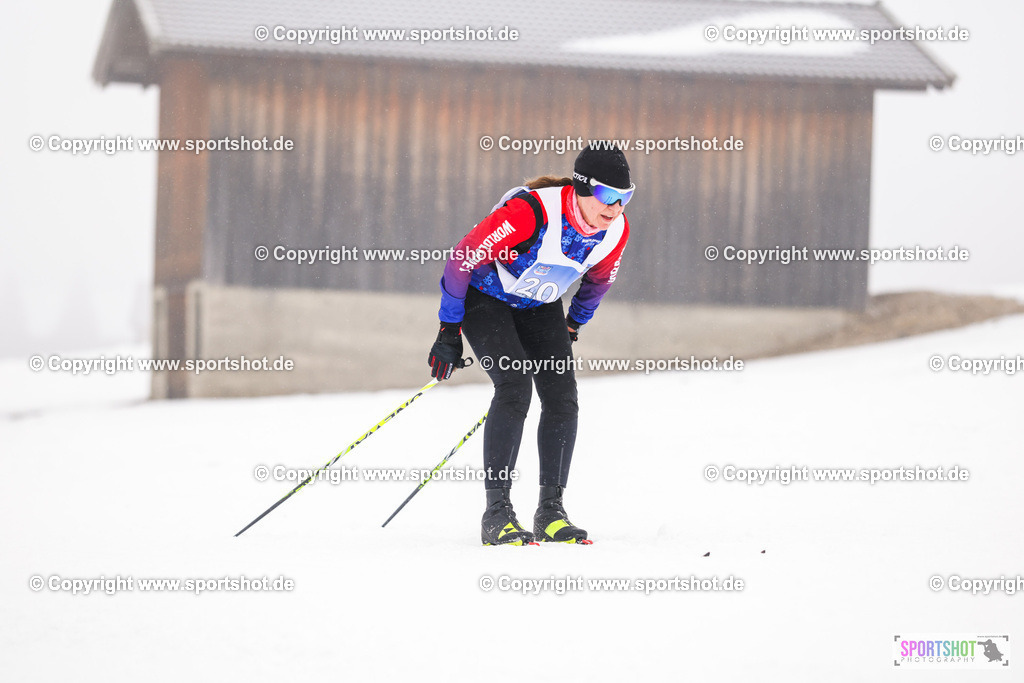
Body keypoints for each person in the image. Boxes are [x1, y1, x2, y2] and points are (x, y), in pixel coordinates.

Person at [427, 145, 633, 545]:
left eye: (625, 198)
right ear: (582, 189)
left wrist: (574, 324)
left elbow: (599, 281)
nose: (615, 208)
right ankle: (497, 514)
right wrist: (448, 329)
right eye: (608, 196)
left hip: (538, 303)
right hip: (484, 297)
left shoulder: (616, 231)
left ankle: (551, 512)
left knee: (562, 396)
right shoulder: (532, 212)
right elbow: (462, 259)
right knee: (515, 384)